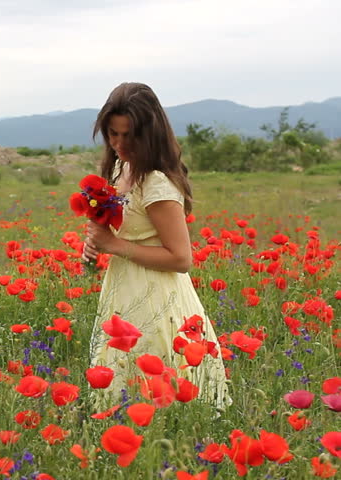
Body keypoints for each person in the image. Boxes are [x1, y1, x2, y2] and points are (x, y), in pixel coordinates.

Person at [83, 82, 230, 410]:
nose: (119, 143)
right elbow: (126, 232)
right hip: (124, 289)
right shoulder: (124, 167)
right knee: (124, 385)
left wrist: (115, 245)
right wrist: (96, 244)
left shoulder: (157, 182)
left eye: (128, 135)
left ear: (149, 133)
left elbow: (181, 258)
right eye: (112, 133)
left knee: (160, 389)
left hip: (157, 295)